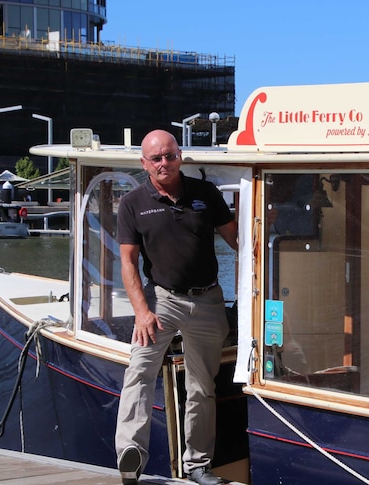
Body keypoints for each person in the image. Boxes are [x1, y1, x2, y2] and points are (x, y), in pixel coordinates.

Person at [115, 129, 237, 485]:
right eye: (156, 158)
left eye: (169, 155)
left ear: (179, 155)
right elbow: (128, 263)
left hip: (209, 301)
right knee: (139, 369)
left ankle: (197, 465)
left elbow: (237, 240)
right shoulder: (133, 203)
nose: (164, 163)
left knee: (202, 386)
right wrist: (141, 310)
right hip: (162, 302)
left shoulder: (205, 193)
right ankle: (130, 455)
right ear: (144, 163)